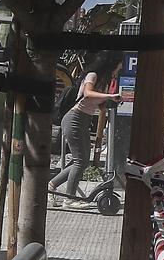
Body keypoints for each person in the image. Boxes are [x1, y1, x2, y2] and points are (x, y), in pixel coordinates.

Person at [50, 53, 120, 198]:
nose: (117, 72)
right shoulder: (92, 76)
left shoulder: (103, 83)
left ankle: (51, 186)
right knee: (80, 161)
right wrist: (108, 96)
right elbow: (88, 94)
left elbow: (100, 105)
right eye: (117, 69)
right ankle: (69, 198)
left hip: (84, 120)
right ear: (110, 66)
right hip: (74, 118)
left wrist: (111, 102)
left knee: (82, 161)